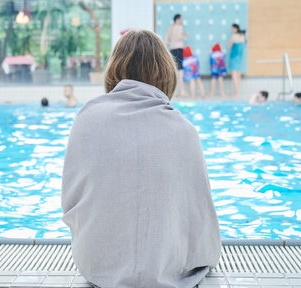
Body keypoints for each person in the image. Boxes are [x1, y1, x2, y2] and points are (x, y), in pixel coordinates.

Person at [62, 29, 221, 288]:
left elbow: (69, 203)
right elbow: (201, 219)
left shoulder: (86, 120)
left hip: (96, 266)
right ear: (166, 72)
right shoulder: (184, 131)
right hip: (169, 270)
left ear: (114, 69)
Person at [166, 14, 188, 97]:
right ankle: (182, 91)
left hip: (172, 49)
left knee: (174, 70)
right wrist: (184, 36)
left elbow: (167, 40)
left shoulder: (170, 28)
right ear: (177, 19)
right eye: (181, 19)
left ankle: (175, 92)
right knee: (181, 71)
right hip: (178, 48)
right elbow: (179, 37)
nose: (182, 21)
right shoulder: (179, 27)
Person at [228, 23, 246, 99]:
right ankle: (238, 92)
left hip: (234, 57)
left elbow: (229, 47)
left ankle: (236, 93)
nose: (231, 30)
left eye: (232, 29)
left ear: (235, 29)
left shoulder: (233, 36)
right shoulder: (243, 36)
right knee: (238, 75)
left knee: (234, 75)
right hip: (240, 57)